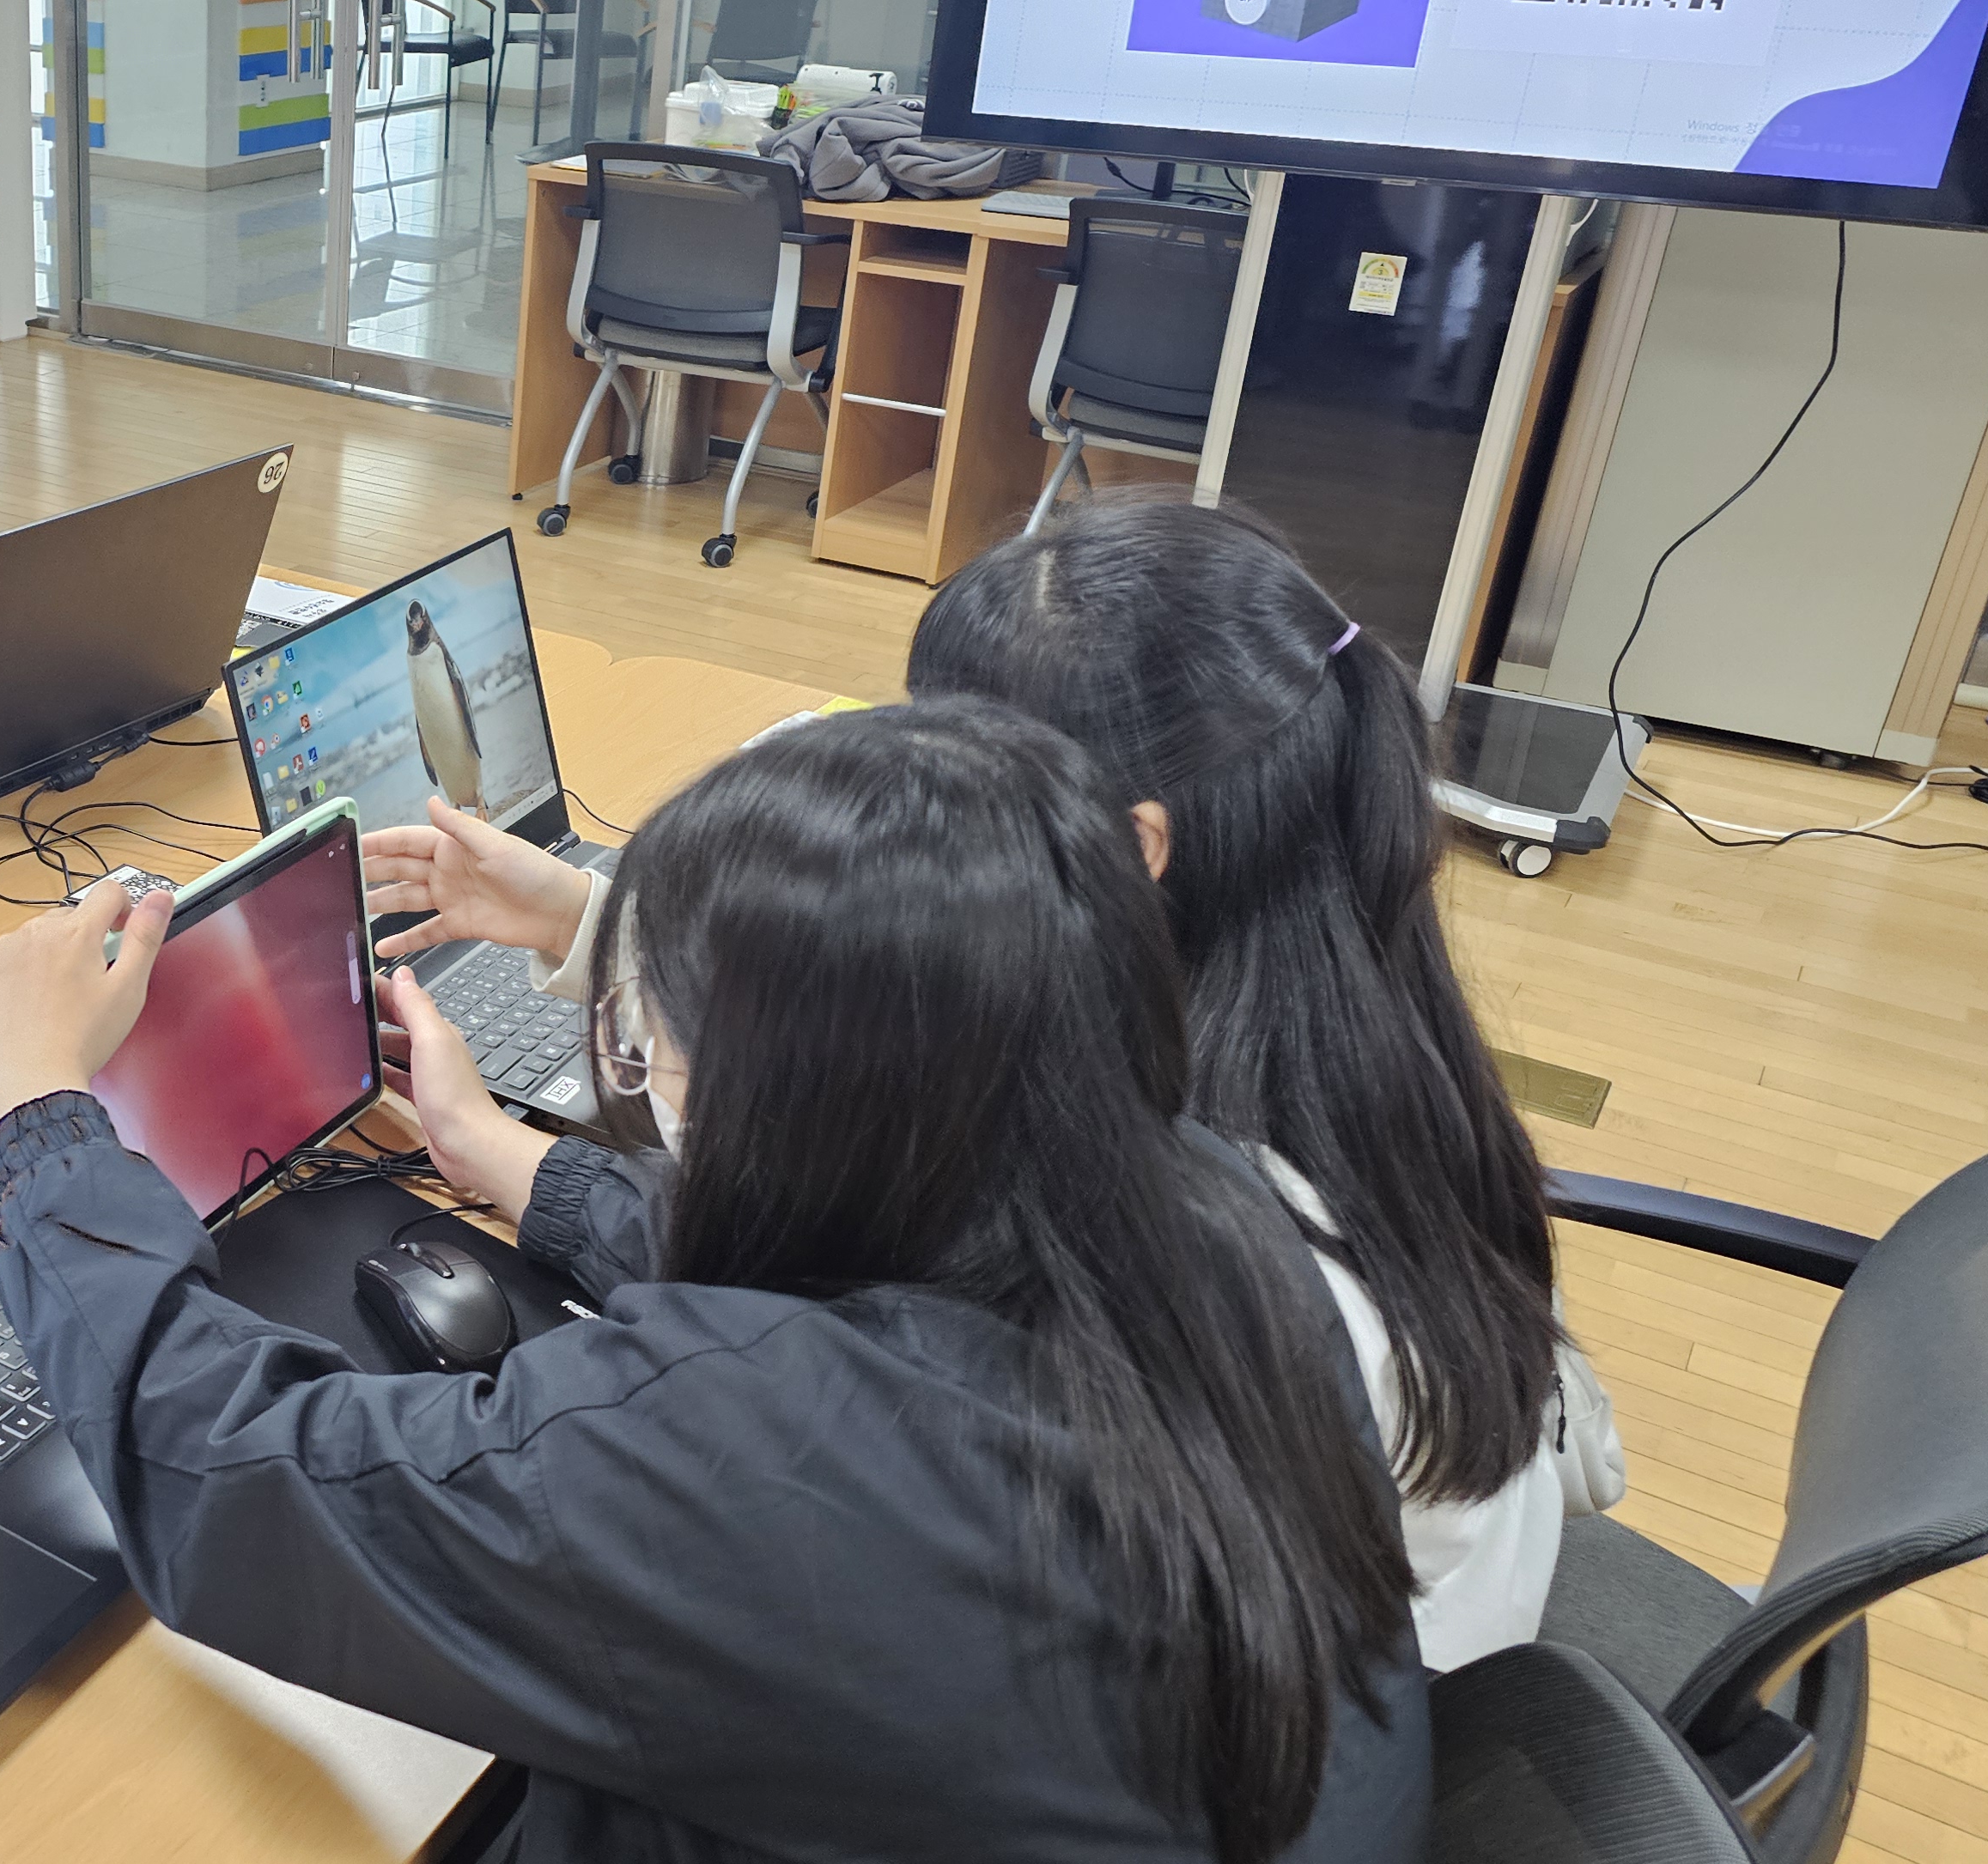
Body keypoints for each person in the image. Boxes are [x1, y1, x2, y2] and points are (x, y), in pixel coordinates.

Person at [0, 701, 1430, 1864]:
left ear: (796, 1101)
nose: (647, 1080)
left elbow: (225, 1478)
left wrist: (37, 1114)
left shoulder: (738, 1466)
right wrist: (508, 1160)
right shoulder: (1210, 1205)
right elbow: (881, 1268)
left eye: (650, 1047)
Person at [374, 496, 1610, 1670]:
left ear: (1132, 843)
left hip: (1248, 1739)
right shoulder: (1343, 1030)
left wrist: (560, 1133)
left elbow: (845, 1337)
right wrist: (582, 948)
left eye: (948, 768)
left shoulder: (1164, 1216)